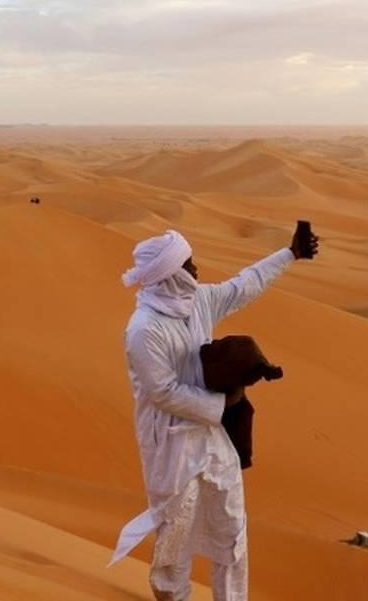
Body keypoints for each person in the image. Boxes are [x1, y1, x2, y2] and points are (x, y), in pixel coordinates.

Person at [110, 225, 319, 601]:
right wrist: (226, 405)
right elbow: (164, 392)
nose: (196, 270)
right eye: (188, 265)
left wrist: (288, 254)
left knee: (232, 526)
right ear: (169, 275)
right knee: (177, 530)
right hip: (171, 442)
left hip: (211, 436)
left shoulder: (198, 301)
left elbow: (244, 286)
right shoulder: (143, 330)